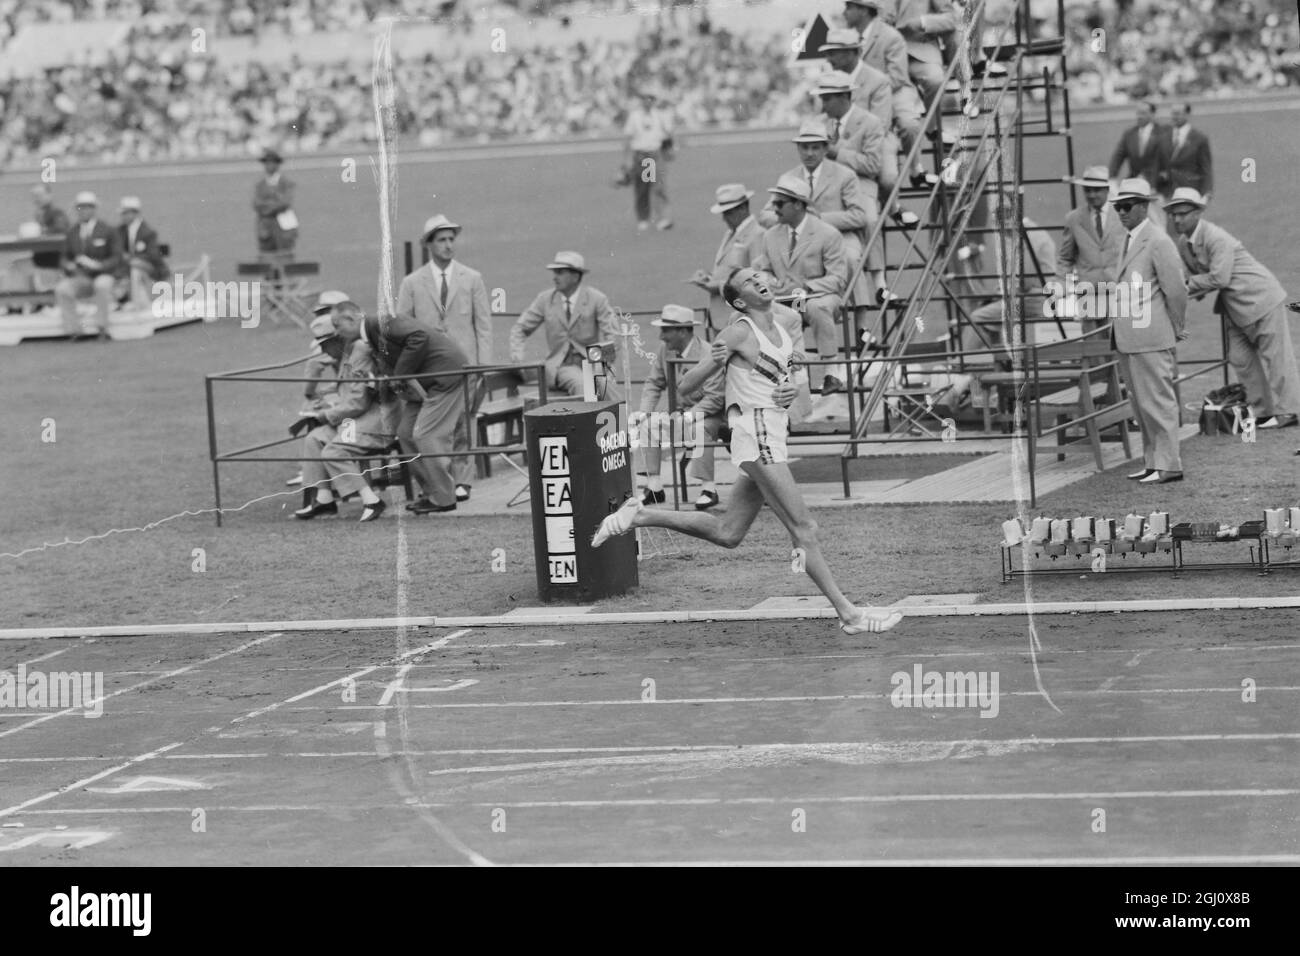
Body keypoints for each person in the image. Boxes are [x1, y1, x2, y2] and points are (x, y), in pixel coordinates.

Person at [592, 268, 903, 636]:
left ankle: (640, 514)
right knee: (805, 528)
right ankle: (850, 615)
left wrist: (788, 394)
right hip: (755, 438)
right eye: (749, 282)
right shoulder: (738, 330)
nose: (760, 280)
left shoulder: (784, 327)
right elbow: (686, 385)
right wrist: (713, 361)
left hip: (772, 434)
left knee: (728, 532)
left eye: (760, 275)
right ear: (740, 300)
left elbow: (777, 382)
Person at [1166, 188, 1299, 429]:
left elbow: (1219, 278)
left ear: (1197, 213)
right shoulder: (1183, 243)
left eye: (1183, 213)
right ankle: (1262, 412)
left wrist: (1182, 286)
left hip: (1262, 298)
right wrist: (1179, 288)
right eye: (1173, 214)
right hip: (1234, 307)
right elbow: (1193, 278)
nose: (1177, 219)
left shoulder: (1216, 237)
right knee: (1239, 357)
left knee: (1277, 357)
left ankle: (1290, 410)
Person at [397, 213, 493, 502]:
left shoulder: (472, 278)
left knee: (464, 421)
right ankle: (436, 484)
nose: (448, 245)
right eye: (442, 240)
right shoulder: (412, 283)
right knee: (420, 429)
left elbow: (483, 325)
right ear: (429, 244)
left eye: (452, 239)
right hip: (429, 369)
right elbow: (402, 325)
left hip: (466, 364)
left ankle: (463, 480)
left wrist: (484, 367)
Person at [1110, 178, 1188, 484]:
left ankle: (1169, 465)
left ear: (1144, 206)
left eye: (1127, 206)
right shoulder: (1130, 239)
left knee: (1157, 401)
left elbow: (1177, 289)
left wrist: (1177, 326)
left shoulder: (1158, 240)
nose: (1121, 212)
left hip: (1151, 336)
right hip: (1130, 337)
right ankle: (1153, 463)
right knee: (1141, 405)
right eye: (1118, 207)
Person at [291, 304, 398, 522]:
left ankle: (372, 500)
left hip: (375, 419)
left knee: (334, 451)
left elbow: (358, 401)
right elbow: (347, 390)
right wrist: (326, 401)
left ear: (337, 338)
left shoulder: (359, 351)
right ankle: (324, 499)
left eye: (326, 344)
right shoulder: (346, 353)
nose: (324, 351)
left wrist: (325, 415)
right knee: (314, 439)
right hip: (356, 419)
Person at [363, 311, 469, 514]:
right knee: (405, 434)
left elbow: (418, 337)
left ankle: (445, 498)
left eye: (337, 327)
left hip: (443, 378)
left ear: (349, 320)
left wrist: (400, 374)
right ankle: (431, 492)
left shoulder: (381, 323)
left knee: (425, 435)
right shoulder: (368, 337)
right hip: (422, 386)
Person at [753, 174, 850, 395]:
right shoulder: (770, 236)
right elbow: (764, 269)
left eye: (779, 203)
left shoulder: (828, 234)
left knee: (817, 308)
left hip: (820, 297)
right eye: (773, 203)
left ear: (798, 204)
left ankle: (831, 373)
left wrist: (803, 289)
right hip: (785, 301)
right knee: (761, 313)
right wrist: (769, 281)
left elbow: (838, 279)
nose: (774, 209)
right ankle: (777, 376)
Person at [817, 69, 896, 339]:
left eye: (827, 99)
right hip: (829, 187)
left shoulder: (870, 123)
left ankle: (879, 280)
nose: (823, 105)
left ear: (843, 97)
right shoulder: (820, 124)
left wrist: (837, 152)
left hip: (861, 183)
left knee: (868, 217)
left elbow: (873, 166)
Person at [636, 305, 726, 510]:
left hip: (714, 414)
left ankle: (709, 489)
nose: (661, 336)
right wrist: (644, 412)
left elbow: (715, 399)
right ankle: (654, 489)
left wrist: (687, 418)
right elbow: (654, 382)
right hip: (680, 413)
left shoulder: (708, 353)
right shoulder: (665, 351)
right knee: (648, 426)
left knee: (698, 429)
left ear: (683, 331)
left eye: (666, 330)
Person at [842, 1, 935, 192]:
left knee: (908, 123)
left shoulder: (890, 36)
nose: (845, 13)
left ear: (863, 11)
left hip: (895, 91)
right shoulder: (847, 37)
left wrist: (870, 91)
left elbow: (898, 77)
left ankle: (915, 167)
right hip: (863, 95)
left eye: (849, 7)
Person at [508, 251, 621, 400]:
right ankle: (587, 423)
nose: (554, 277)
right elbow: (520, 329)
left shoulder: (597, 299)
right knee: (582, 384)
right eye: (554, 272)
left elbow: (615, 337)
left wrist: (596, 359)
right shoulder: (545, 299)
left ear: (575, 276)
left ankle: (619, 422)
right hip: (561, 367)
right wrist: (517, 356)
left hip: (593, 363)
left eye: (560, 272)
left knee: (605, 385)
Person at [1057, 165, 1126, 332]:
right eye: (1087, 190)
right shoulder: (1074, 219)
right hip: (1088, 295)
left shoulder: (1123, 216)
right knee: (1093, 350)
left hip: (1117, 293)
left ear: (1107, 190)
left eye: (1097, 190)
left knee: (1118, 345)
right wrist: (1061, 283)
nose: (1092, 195)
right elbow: (1066, 258)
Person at [688, 183, 765, 321]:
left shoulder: (757, 235)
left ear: (742, 208)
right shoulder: (730, 233)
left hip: (741, 316)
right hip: (722, 316)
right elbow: (728, 271)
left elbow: (756, 279)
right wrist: (708, 277)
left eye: (728, 212)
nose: (724, 218)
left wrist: (719, 286)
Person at [55, 191, 122, 340]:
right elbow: (64, 257)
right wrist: (69, 265)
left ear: (94, 209)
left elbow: (117, 257)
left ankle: (102, 327)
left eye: (87, 207)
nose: (83, 211)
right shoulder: (72, 232)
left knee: (102, 285)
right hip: (82, 277)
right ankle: (74, 330)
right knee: (62, 289)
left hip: (104, 274)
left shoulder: (108, 230)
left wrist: (98, 265)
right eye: (80, 208)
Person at [1107, 102, 1170, 229]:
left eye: (1143, 113)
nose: (1139, 116)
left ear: (1152, 114)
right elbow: (1118, 156)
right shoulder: (1130, 134)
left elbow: (1166, 159)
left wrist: (1157, 178)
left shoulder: (1164, 133)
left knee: (1158, 225)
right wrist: (1111, 177)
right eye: (1138, 113)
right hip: (1135, 185)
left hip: (1156, 187)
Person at [621, 89, 673, 232]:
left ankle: (663, 218)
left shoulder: (659, 116)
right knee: (643, 188)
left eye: (651, 98)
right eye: (645, 98)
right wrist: (626, 160)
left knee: (658, 187)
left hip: (655, 155)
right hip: (642, 156)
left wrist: (669, 150)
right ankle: (643, 218)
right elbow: (628, 137)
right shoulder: (635, 116)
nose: (648, 101)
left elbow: (668, 134)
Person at [115, 196, 169, 305]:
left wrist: (131, 259)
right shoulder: (120, 230)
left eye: (126, 213)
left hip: (150, 268)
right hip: (128, 267)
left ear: (134, 213)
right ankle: (126, 300)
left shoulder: (148, 232)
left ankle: (139, 303)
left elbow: (153, 255)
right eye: (122, 213)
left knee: (136, 269)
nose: (123, 216)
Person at [253, 148, 298, 256]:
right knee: (267, 260)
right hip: (265, 229)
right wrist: (274, 205)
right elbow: (256, 204)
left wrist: (267, 207)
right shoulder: (260, 184)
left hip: (284, 228)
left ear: (278, 165)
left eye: (272, 162)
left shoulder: (286, 182)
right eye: (267, 163)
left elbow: (285, 202)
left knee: (285, 258)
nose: (269, 166)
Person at [1166, 103, 1213, 199]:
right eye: (1173, 113)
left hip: (1190, 191)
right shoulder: (1163, 136)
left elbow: (1206, 168)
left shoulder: (1199, 138)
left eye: (1178, 113)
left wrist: (1206, 193)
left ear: (1187, 115)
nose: (1174, 117)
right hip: (1166, 191)